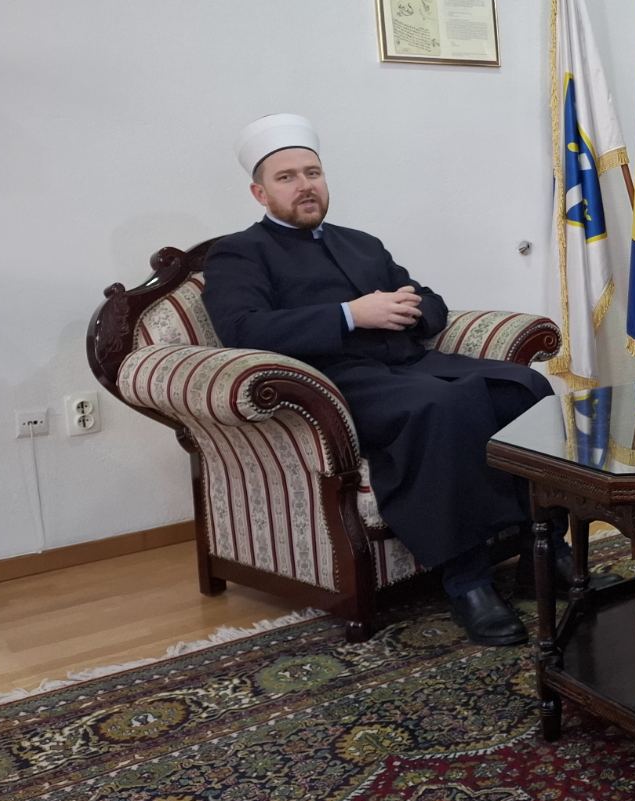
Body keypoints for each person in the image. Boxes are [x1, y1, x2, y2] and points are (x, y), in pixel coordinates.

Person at [203, 114, 558, 647]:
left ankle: (544, 552)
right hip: (339, 379)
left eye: (312, 173)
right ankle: (468, 582)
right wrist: (351, 315)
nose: (305, 186)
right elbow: (241, 328)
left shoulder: (362, 243)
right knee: (441, 407)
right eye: (287, 177)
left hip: (410, 364)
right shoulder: (238, 252)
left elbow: (428, 301)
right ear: (260, 193)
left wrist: (411, 310)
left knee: (526, 389)